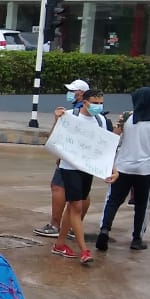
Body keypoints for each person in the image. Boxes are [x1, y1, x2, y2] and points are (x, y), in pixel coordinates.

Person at [97, 87, 150, 253]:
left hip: (123, 167)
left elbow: (113, 138)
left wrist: (108, 161)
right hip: (145, 170)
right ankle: (137, 239)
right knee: (142, 205)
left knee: (113, 201)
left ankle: (105, 230)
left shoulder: (126, 116)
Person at [50, 90, 115, 265]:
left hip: (88, 168)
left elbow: (105, 147)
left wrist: (112, 169)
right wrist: (57, 120)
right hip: (69, 167)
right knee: (77, 206)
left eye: (101, 103)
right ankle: (84, 250)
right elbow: (54, 138)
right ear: (85, 102)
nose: (98, 106)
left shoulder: (101, 121)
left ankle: (60, 243)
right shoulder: (70, 116)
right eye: (95, 102)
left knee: (73, 207)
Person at [35, 79, 91, 237]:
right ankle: (75, 226)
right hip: (86, 160)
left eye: (73, 91)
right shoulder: (94, 115)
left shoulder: (72, 114)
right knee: (83, 193)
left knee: (58, 187)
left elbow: (56, 136)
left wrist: (57, 120)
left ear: (80, 94)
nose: (70, 94)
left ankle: (55, 225)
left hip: (69, 159)